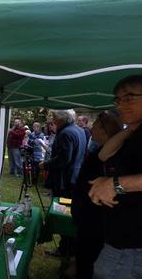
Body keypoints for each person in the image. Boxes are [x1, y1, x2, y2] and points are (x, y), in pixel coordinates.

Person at [87, 75, 142, 279]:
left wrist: (115, 185)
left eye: (129, 98)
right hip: (122, 241)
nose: (120, 105)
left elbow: (121, 183)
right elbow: (104, 154)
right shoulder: (134, 132)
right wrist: (130, 129)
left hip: (132, 247)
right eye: (118, 100)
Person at [71, 112, 123, 279]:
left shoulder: (113, 157)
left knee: (87, 260)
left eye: (95, 125)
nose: (91, 128)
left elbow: (119, 189)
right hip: (89, 217)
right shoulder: (101, 152)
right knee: (84, 258)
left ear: (104, 130)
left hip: (96, 220)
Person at [40, 109, 86, 257]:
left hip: (64, 181)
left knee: (63, 214)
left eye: (54, 117)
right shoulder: (78, 130)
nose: (53, 120)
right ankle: (68, 247)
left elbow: (64, 159)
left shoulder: (66, 133)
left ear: (61, 118)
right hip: (73, 178)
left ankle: (65, 248)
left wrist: (45, 164)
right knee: (69, 214)